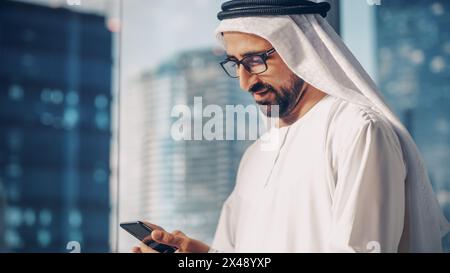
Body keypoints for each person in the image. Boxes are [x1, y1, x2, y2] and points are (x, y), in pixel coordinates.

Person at [132, 0, 449, 253]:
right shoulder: (255, 156)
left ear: (299, 48)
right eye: (236, 64)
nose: (245, 82)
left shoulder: (357, 129)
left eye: (255, 60)